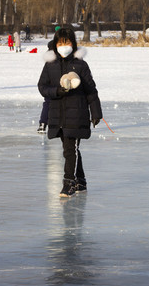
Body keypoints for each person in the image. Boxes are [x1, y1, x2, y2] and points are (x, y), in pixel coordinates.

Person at [38, 28, 103, 197]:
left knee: (70, 149)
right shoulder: (50, 65)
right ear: (55, 45)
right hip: (58, 114)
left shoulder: (80, 65)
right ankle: (80, 181)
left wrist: (96, 112)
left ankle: (69, 183)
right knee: (71, 149)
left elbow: (91, 90)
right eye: (61, 43)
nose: (64, 46)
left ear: (73, 44)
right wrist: (57, 91)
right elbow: (42, 87)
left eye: (67, 43)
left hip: (77, 113)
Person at [37, 26, 62, 134]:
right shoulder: (54, 46)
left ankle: (43, 124)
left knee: (50, 103)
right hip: (53, 81)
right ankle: (43, 123)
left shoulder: (54, 45)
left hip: (59, 80)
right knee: (49, 102)